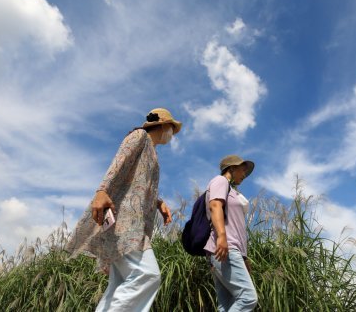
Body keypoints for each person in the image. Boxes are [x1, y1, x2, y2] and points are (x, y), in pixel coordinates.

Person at [66, 108, 182, 311]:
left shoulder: (152, 151)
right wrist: (102, 190)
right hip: (126, 223)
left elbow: (140, 184)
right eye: (171, 128)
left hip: (132, 223)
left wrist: (158, 202)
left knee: (119, 284)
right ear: (163, 125)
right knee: (147, 275)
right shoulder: (140, 136)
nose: (172, 134)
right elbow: (119, 161)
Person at [204, 155, 258, 311]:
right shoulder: (220, 181)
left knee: (226, 306)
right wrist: (221, 236)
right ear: (231, 168)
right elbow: (215, 205)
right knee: (248, 298)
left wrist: (244, 257)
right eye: (242, 169)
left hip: (229, 251)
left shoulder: (232, 191)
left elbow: (236, 227)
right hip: (224, 249)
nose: (244, 174)